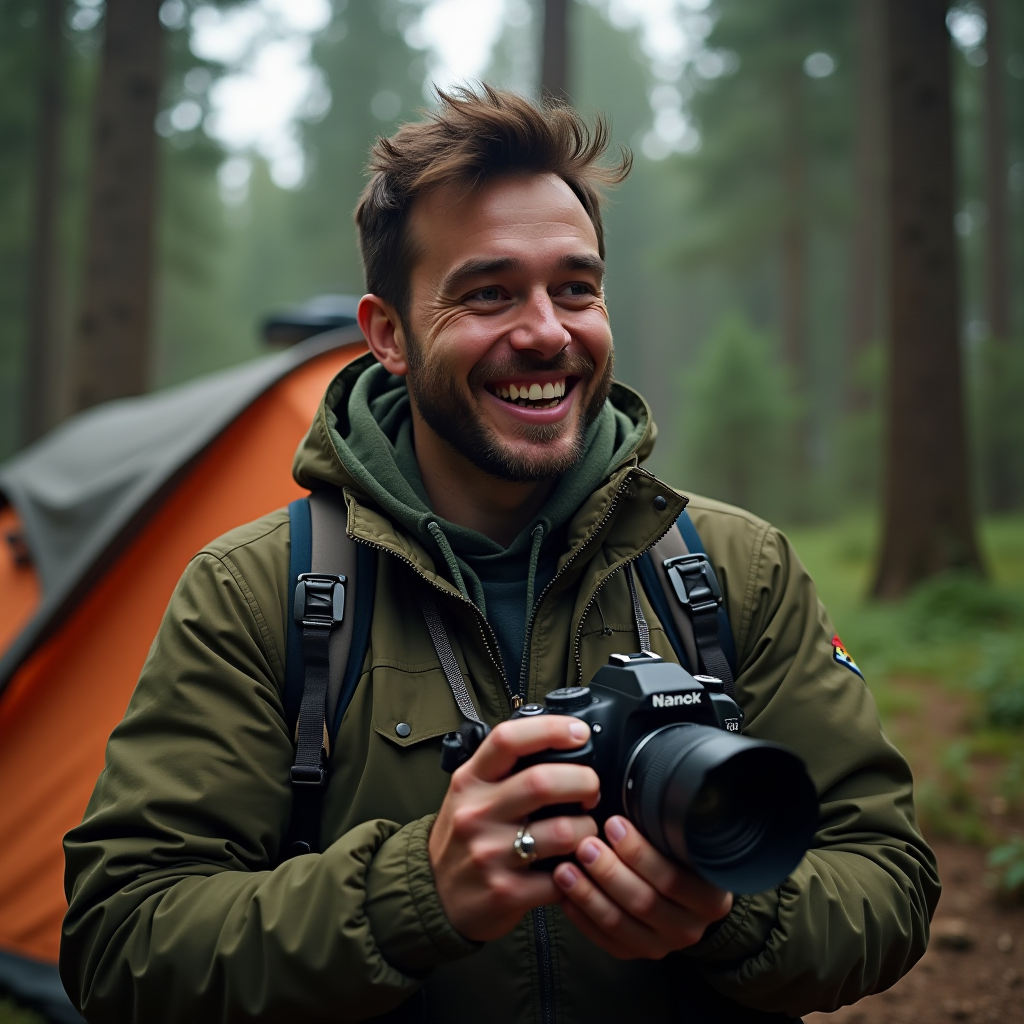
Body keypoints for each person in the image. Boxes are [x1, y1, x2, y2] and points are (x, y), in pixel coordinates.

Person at [61, 87, 939, 1024]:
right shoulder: (259, 591)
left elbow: (887, 877)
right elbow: (124, 940)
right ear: (388, 334)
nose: (548, 333)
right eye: (489, 293)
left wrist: (731, 913)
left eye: (576, 288)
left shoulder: (729, 568)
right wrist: (412, 897)